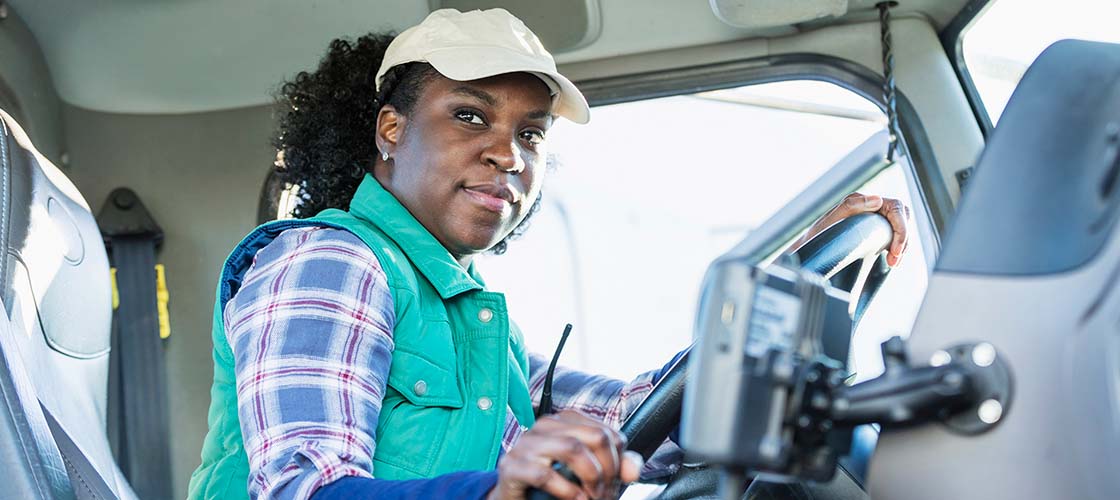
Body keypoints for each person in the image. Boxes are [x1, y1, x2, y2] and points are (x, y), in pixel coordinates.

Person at [187, 8, 911, 500]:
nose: (507, 154)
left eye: (530, 135)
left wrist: (788, 274)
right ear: (390, 130)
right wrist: (500, 488)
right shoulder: (329, 264)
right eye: (470, 115)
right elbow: (302, 487)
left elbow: (642, 422)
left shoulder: (476, 326)